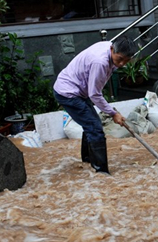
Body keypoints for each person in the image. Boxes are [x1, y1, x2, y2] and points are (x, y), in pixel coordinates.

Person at [53, 36, 136, 174]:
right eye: (119, 59)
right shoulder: (100, 62)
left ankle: (88, 160)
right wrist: (113, 113)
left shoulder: (111, 48)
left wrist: (112, 112)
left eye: (126, 61)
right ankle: (101, 172)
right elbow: (95, 94)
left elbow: (93, 92)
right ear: (111, 49)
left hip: (78, 90)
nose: (121, 64)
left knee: (91, 124)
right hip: (68, 92)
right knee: (95, 128)